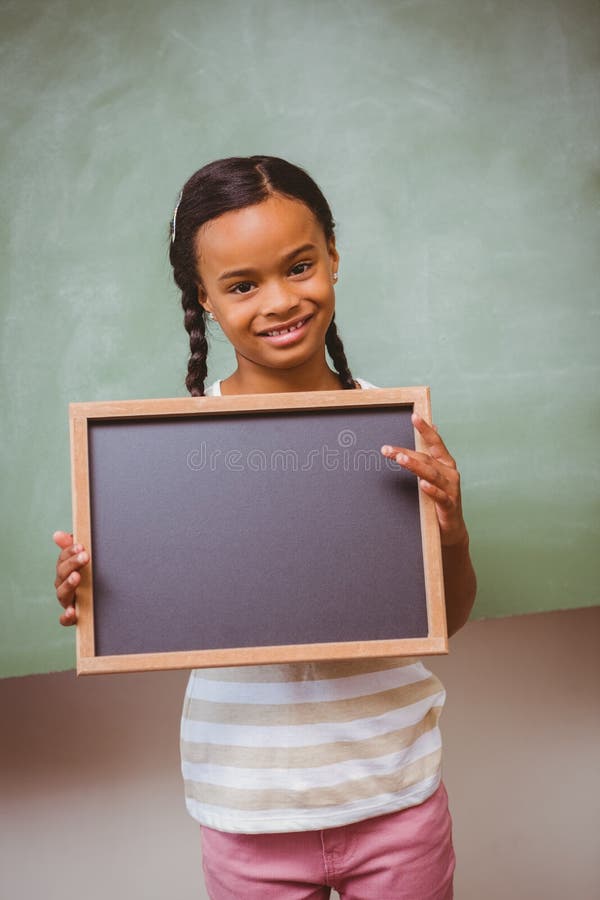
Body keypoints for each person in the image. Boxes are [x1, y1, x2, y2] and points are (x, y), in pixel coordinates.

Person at [53, 155, 477, 899]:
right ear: (205, 301)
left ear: (334, 259)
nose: (279, 301)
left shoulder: (397, 427)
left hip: (394, 793)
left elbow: (453, 612)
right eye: (243, 285)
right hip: (246, 810)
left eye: (300, 266)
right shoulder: (167, 459)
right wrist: (98, 597)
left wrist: (453, 530)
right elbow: (151, 609)